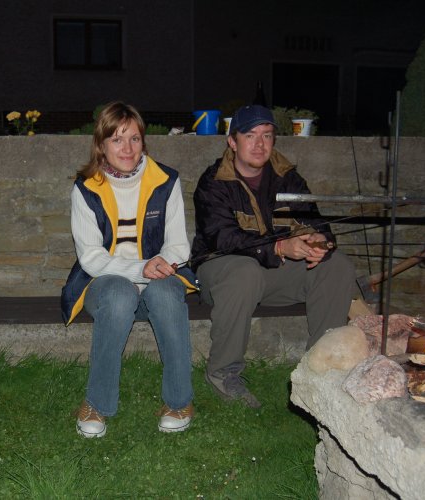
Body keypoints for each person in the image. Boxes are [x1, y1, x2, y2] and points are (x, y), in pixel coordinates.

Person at [191, 105, 355, 408]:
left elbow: (316, 221)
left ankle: (320, 372)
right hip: (221, 272)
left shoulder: (287, 177)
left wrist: (320, 241)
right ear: (232, 141)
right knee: (245, 271)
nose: (259, 144)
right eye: (250, 135)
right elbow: (222, 238)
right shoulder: (214, 181)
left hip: (272, 274)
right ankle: (223, 373)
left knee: (337, 265)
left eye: (267, 135)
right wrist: (278, 247)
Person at [61, 101, 199, 438]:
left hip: (159, 278)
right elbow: (91, 258)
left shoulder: (165, 180)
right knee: (120, 293)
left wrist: (161, 265)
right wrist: (140, 269)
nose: (127, 148)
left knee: (166, 293)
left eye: (134, 139)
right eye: (117, 139)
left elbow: (179, 245)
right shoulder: (86, 187)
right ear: (101, 145)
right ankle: (97, 403)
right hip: (105, 285)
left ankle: (179, 402)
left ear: (143, 142)